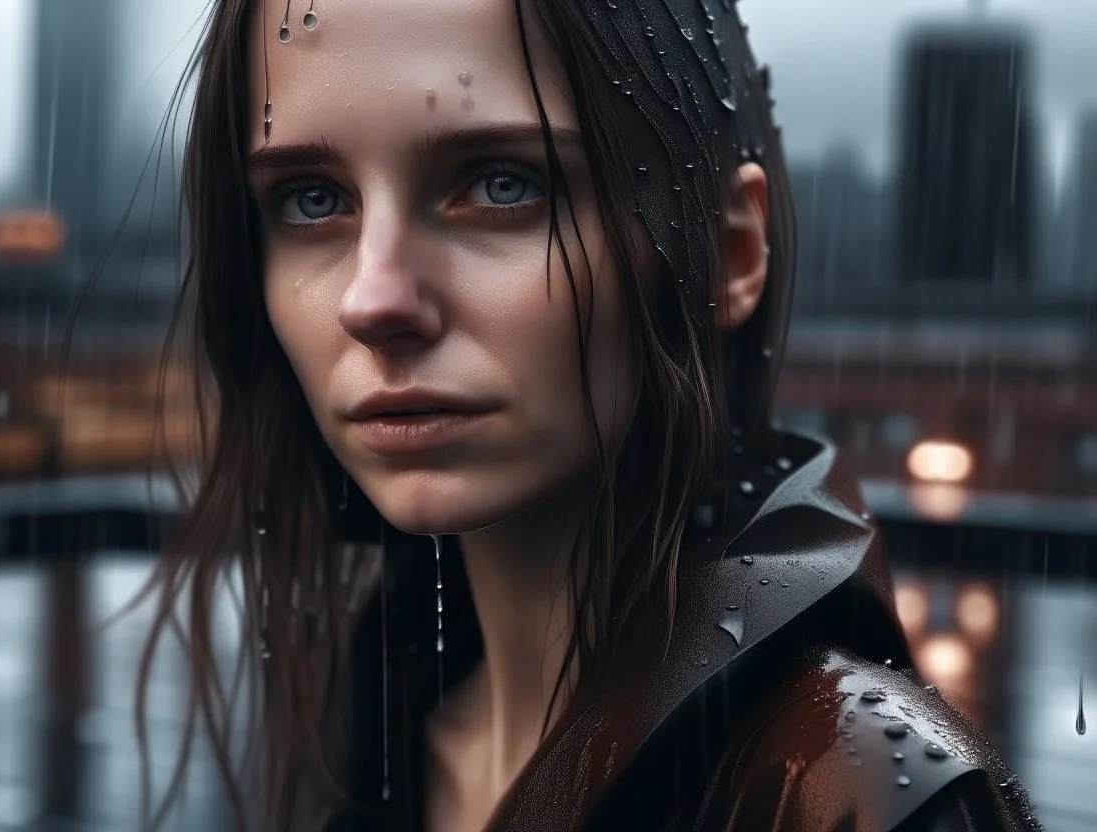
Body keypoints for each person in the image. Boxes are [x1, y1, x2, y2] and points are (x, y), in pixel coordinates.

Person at [133, 0, 1042, 829]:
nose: (372, 299)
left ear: (727, 254)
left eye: (500, 184)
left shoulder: (855, 797)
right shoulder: (379, 722)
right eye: (313, 199)